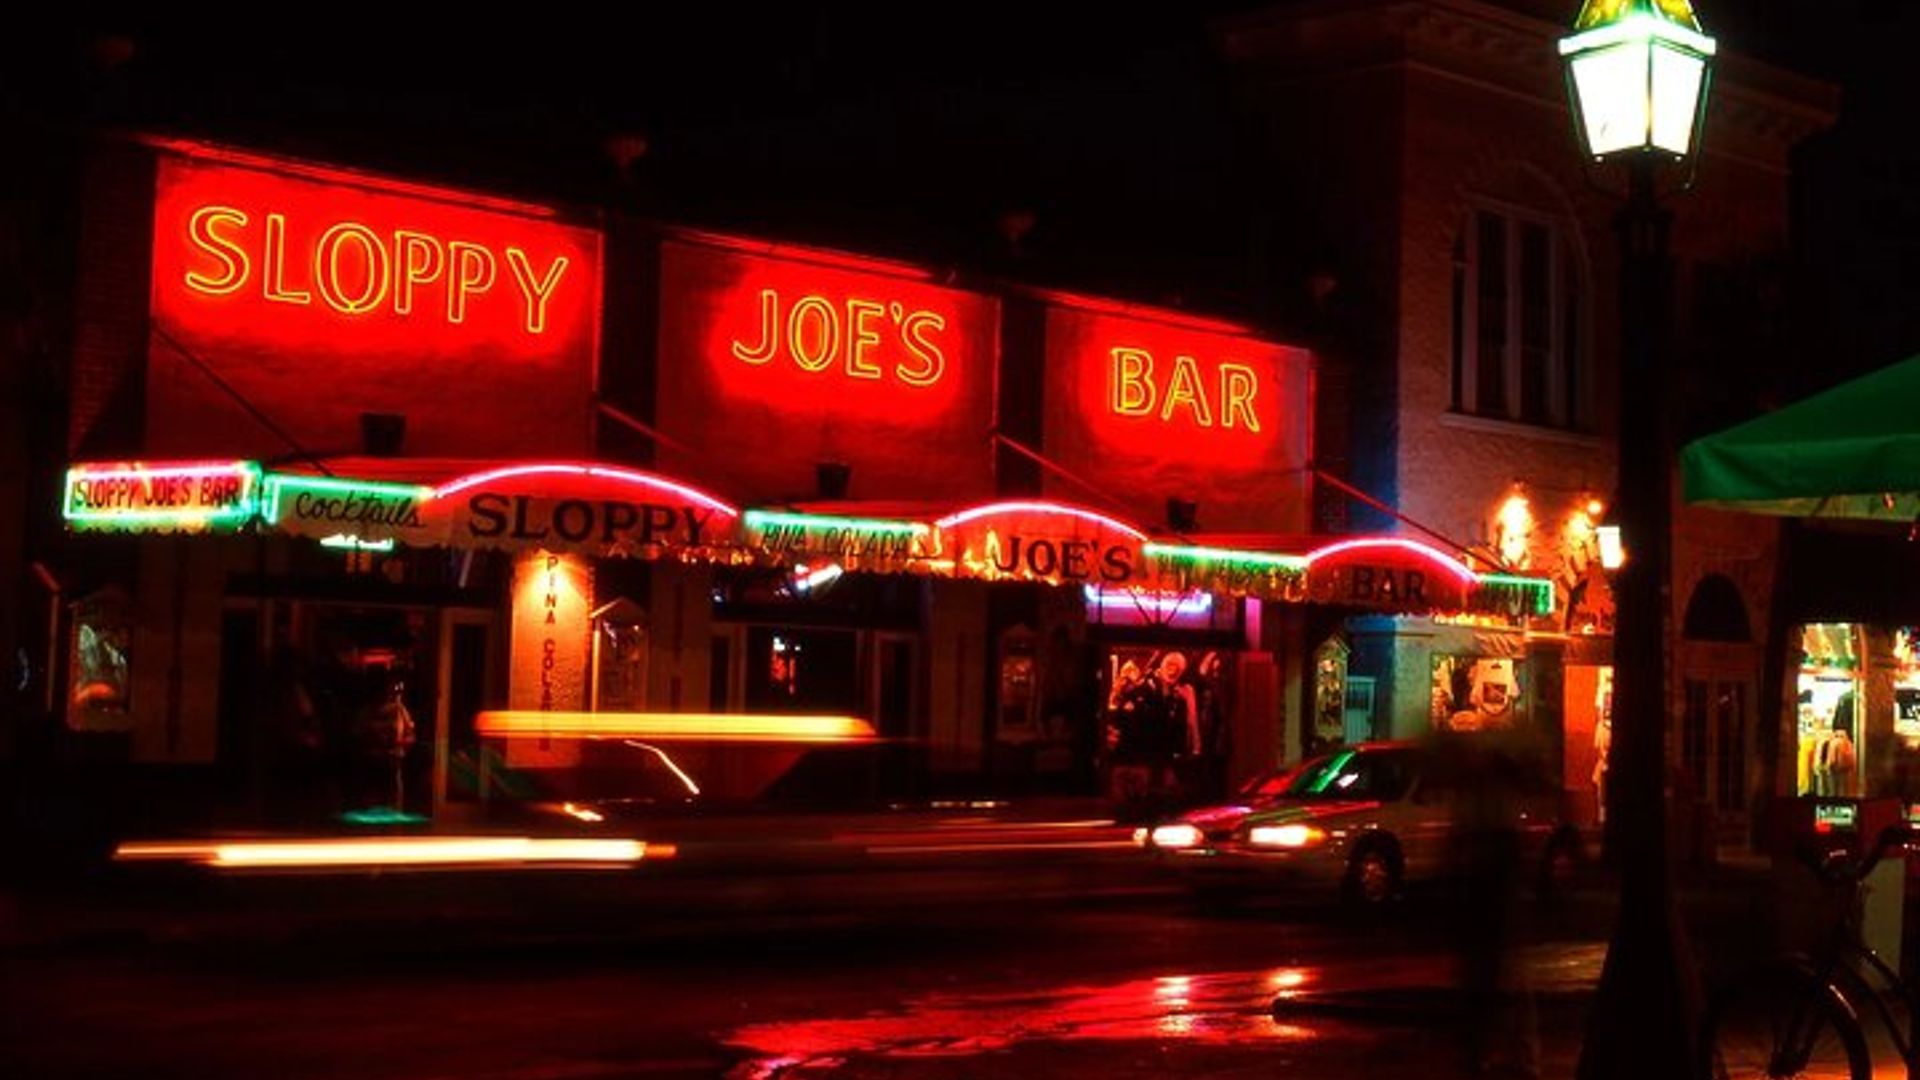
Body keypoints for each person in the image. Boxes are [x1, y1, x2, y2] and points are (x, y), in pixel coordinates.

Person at [355, 680, 416, 812]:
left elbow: (410, 735)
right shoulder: (367, 711)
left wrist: (401, 742)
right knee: (372, 797)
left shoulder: (399, 710)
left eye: (389, 691)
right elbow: (358, 733)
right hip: (372, 761)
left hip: (392, 760)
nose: (387, 694)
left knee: (392, 796)